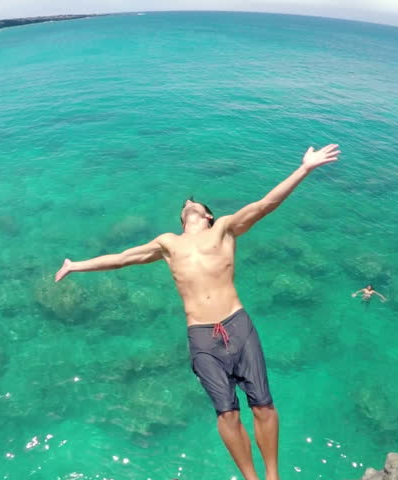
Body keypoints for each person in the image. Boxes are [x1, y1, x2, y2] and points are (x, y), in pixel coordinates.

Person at [55, 144, 341, 480]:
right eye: (184, 206)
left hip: (238, 325)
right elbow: (121, 258)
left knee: (263, 405)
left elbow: (265, 205)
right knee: (227, 414)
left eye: (195, 204)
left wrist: (303, 169)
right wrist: (76, 265)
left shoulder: (225, 230)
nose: (188, 204)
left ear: (208, 215)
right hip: (203, 337)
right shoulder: (168, 244)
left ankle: (273, 475)